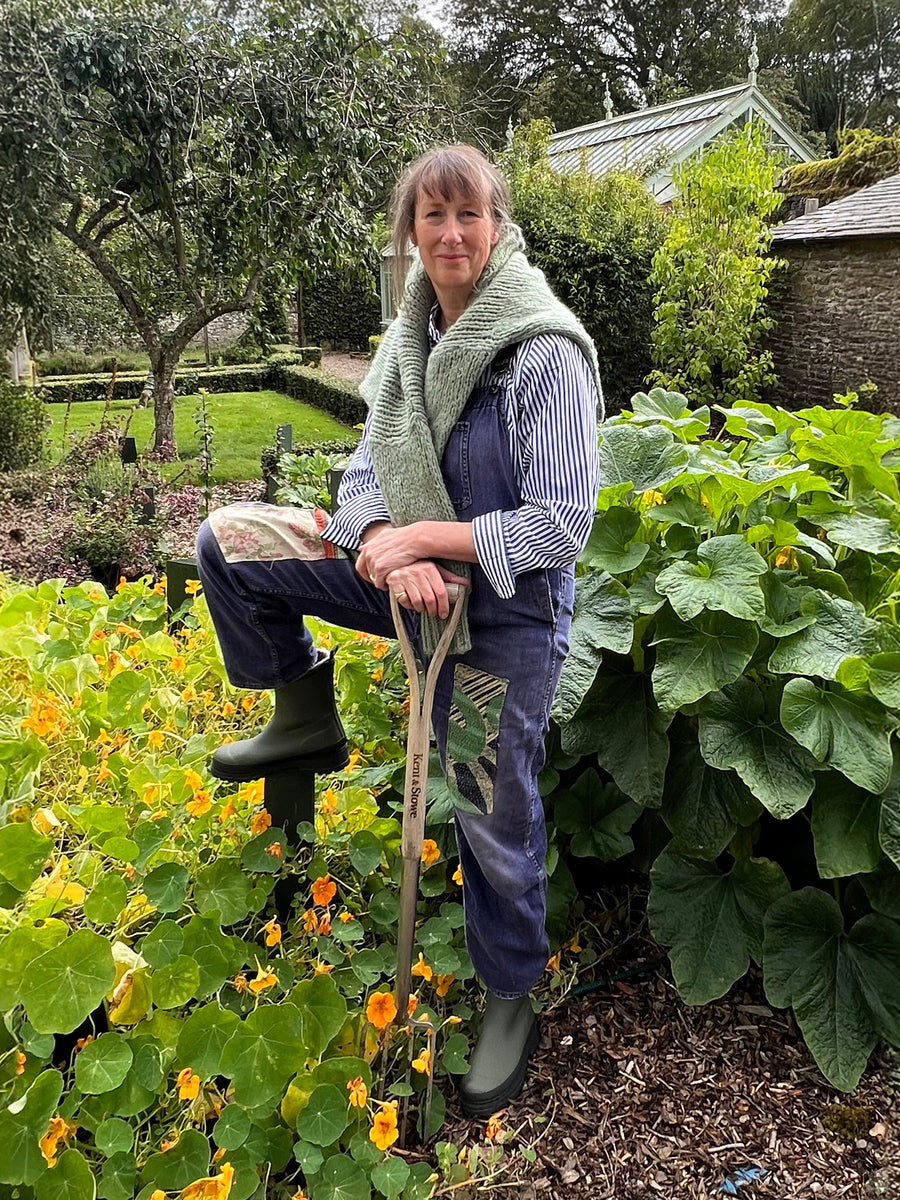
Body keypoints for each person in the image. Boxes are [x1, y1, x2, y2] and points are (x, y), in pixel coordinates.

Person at [195, 143, 603, 1116]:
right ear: (410, 234)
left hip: (499, 620)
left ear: (499, 226)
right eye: (432, 217)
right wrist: (383, 537)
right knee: (232, 542)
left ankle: (511, 996)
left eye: (468, 214)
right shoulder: (407, 334)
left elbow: (559, 524)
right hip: (400, 580)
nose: (451, 234)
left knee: (483, 809)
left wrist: (426, 535)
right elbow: (372, 459)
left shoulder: (541, 350)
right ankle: (303, 720)